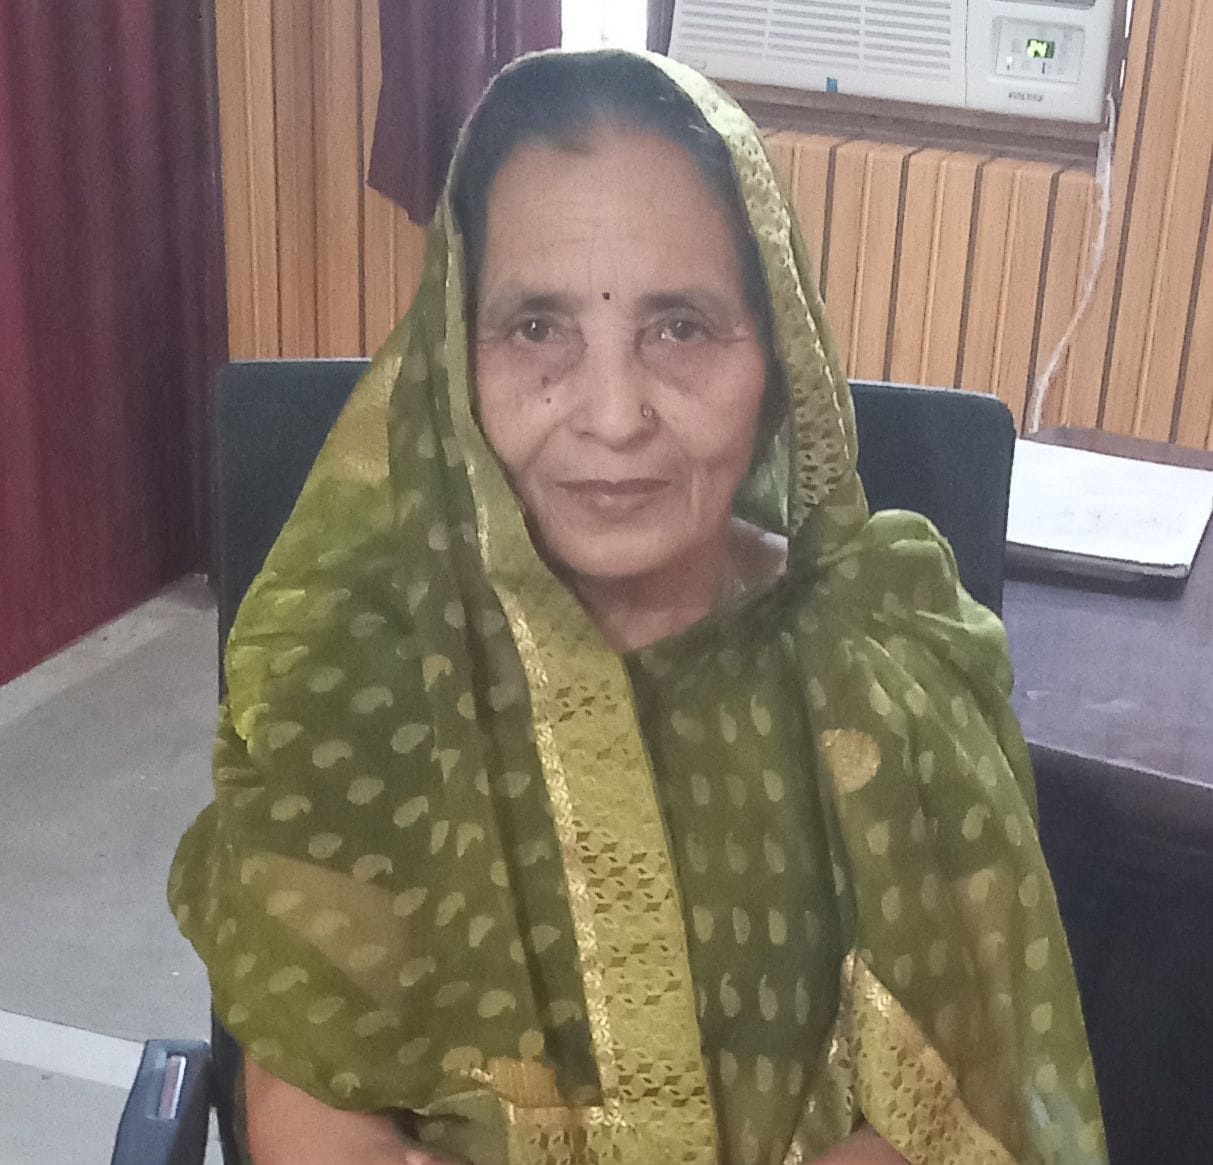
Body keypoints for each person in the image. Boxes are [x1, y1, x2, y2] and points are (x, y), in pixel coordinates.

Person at [169, 49, 1107, 1165]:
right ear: (453, 359)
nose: (613, 416)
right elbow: (311, 1097)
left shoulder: (878, 658)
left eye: (680, 327)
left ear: (778, 353)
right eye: (537, 326)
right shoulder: (371, 680)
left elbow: (946, 1103)